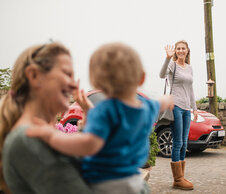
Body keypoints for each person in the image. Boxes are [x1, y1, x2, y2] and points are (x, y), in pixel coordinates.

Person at [26, 42, 174, 194]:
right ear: (141, 78)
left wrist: (51, 136)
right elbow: (161, 103)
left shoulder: (104, 111)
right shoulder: (147, 108)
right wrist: (168, 99)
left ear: (95, 82)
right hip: (133, 182)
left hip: (103, 183)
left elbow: (89, 144)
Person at [0, 42, 93, 194]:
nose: (74, 85)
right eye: (67, 74)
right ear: (34, 75)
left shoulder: (36, 135)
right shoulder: (26, 140)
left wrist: (90, 119)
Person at [159, 40, 197, 190]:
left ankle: (180, 177)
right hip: (175, 106)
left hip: (187, 108)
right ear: (175, 51)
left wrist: (194, 108)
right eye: (178, 48)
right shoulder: (172, 64)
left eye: (183, 48)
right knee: (178, 142)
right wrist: (167, 58)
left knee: (184, 143)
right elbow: (161, 75)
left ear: (187, 51)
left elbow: (191, 89)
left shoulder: (189, 68)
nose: (181, 50)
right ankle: (178, 178)